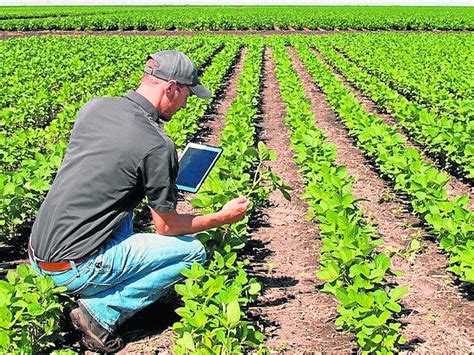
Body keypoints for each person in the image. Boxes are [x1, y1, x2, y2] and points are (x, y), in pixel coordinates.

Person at [27, 50, 250, 352]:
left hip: (39, 256)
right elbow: (166, 228)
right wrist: (222, 217)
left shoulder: (95, 108)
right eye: (186, 94)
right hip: (73, 268)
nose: (186, 104)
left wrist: (160, 175)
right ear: (171, 87)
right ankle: (101, 313)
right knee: (192, 253)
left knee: (124, 211)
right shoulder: (157, 145)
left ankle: (99, 280)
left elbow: (109, 169)